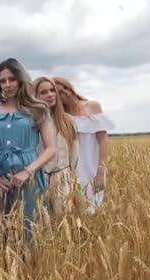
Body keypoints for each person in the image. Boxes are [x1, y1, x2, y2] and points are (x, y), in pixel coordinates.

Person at [0, 58, 56, 238]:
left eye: (12, 79)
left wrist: (28, 171)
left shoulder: (38, 109)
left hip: (30, 180)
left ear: (21, 80)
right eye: (3, 81)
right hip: (0, 182)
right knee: (2, 233)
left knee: (31, 231)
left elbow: (50, 148)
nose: (8, 84)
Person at [53, 77, 115, 214]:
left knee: (92, 209)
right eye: (60, 93)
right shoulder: (60, 115)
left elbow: (103, 140)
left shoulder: (93, 106)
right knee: (70, 211)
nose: (66, 93)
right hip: (69, 170)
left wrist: (101, 171)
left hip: (91, 167)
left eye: (66, 88)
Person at [33, 77, 79, 214]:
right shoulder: (31, 122)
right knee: (41, 223)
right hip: (38, 179)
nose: (50, 94)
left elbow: (75, 156)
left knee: (62, 222)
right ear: (34, 96)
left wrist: (75, 185)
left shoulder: (68, 121)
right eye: (44, 92)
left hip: (63, 178)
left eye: (52, 90)